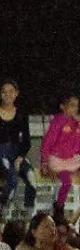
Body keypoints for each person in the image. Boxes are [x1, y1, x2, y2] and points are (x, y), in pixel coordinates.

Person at [0, 81, 36, 217]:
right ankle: (4, 212)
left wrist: (20, 157)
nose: (8, 94)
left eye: (11, 91)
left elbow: (26, 141)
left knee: (31, 178)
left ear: (16, 94)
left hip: (16, 154)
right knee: (12, 178)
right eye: (4, 91)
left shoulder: (21, 114)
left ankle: (28, 213)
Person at [41, 94, 80, 222]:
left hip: (72, 160)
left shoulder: (76, 124)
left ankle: (76, 215)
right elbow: (47, 142)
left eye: (76, 106)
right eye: (72, 105)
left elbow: (77, 144)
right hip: (58, 161)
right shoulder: (57, 121)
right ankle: (59, 208)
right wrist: (44, 162)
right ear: (63, 106)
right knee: (66, 182)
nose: (74, 109)